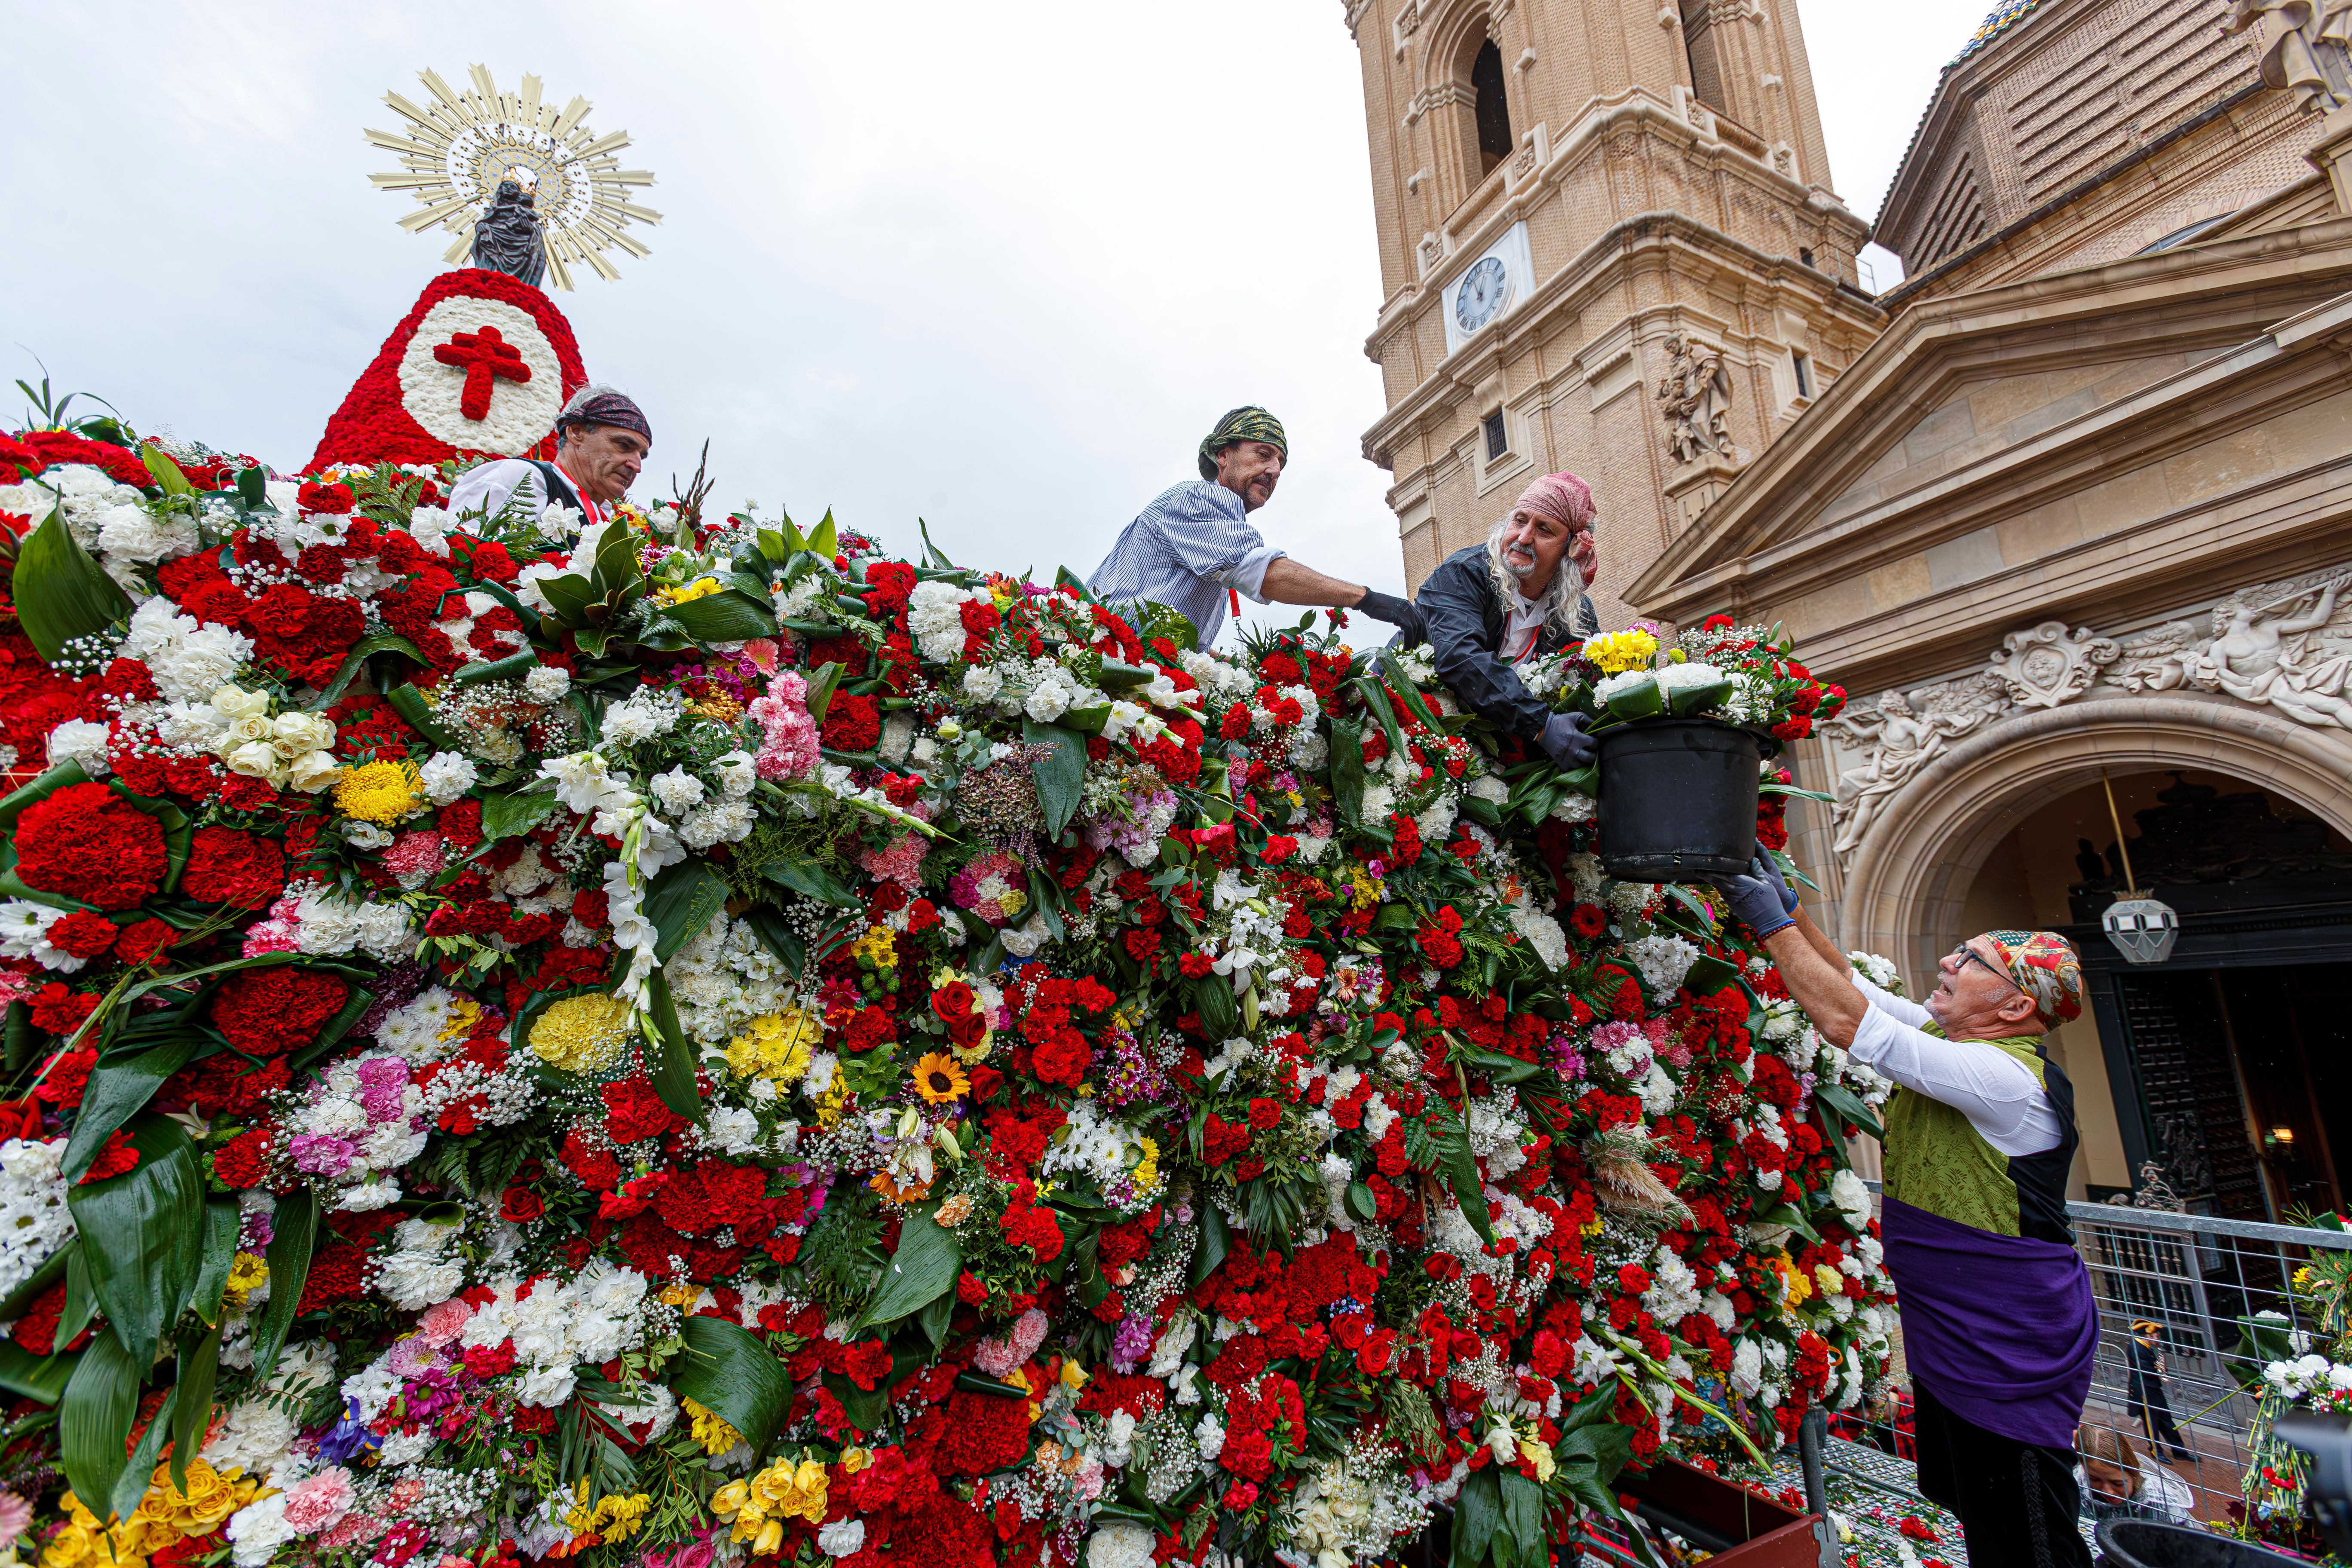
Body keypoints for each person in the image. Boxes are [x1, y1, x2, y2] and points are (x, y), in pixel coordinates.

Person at [1709, 852, 2098, 1568]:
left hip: (2004, 1332)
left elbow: (1846, 1022)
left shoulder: (2004, 1075)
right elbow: (1854, 989)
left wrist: (1763, 920)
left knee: (2027, 1522)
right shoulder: (1956, 1042)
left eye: (1974, 959)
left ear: (2014, 1007)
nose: (1949, 959)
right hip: (1961, 1318)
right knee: (1982, 1499)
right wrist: (1790, 910)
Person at [1086, 406, 1416, 648]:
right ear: (1223, 455)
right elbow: (1263, 573)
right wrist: (1368, 599)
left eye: (1280, 463)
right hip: (1103, 660)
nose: (1274, 470)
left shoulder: (1214, 529)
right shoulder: (1199, 498)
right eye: (1263, 454)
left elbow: (1162, 619)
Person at [1410, 471, 1604, 771]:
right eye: (1520, 520)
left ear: (1569, 549)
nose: (1524, 538)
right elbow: (1461, 659)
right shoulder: (1463, 574)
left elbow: (1590, 683)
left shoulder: (1577, 611)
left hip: (1498, 757)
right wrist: (1543, 726)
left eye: (1544, 530)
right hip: (1413, 730)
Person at [447, 384, 651, 529]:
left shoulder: (606, 515)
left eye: (641, 456)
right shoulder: (521, 478)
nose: (637, 466)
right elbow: (469, 563)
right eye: (623, 445)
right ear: (576, 432)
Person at [2077, 1425, 2199, 1528]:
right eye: (2094, 1479)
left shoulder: (2161, 1502)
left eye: (2118, 1483)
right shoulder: (2078, 1486)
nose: (2107, 1491)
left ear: (2134, 1473)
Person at [2126, 1320, 2193, 1461]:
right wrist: (2160, 1371)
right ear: (2147, 1336)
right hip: (2145, 1391)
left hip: (2154, 1388)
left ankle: (2180, 1452)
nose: (2158, 1338)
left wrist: (2160, 1368)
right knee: (2152, 1423)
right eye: (2156, 1336)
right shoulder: (2136, 1348)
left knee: (2167, 1421)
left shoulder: (2147, 1346)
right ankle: (2156, 1452)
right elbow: (2145, 1370)